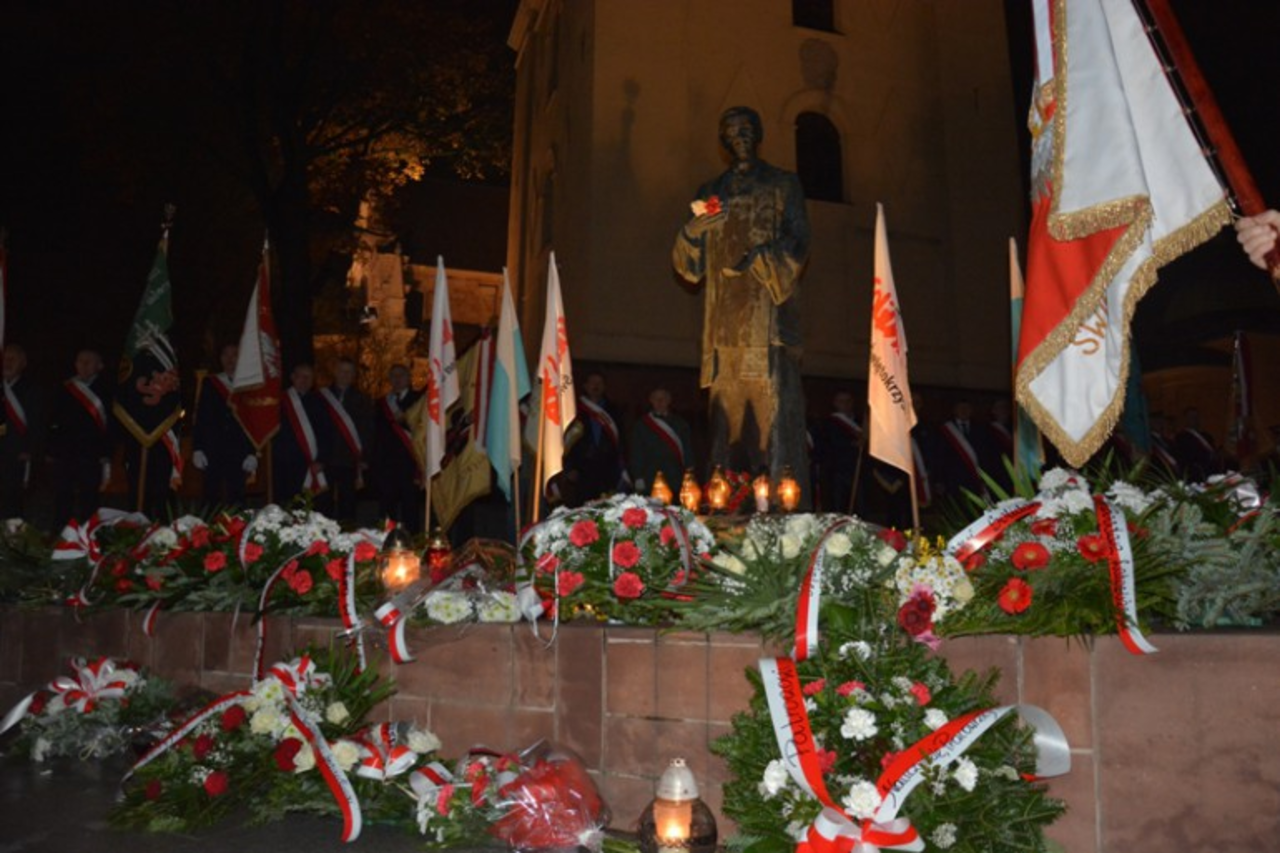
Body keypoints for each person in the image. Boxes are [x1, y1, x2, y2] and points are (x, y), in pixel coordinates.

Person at [672, 105, 811, 503]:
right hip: (724, 326)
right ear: (723, 141)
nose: (740, 137)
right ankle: (727, 501)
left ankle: (779, 502)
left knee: (773, 417)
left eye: (746, 129)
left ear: (759, 133)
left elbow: (798, 240)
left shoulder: (783, 184)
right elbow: (690, 268)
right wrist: (690, 233)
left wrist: (760, 259)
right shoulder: (710, 192)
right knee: (726, 424)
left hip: (767, 320)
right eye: (731, 132)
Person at [47, 347, 114, 531]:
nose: (83, 365)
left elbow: (111, 425)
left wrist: (107, 453)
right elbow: (53, 420)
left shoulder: (107, 390)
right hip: (65, 452)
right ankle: (60, 534)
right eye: (80, 361)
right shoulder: (65, 388)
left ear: (99, 366)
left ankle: (89, 536)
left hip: (92, 453)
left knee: (89, 498)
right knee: (62, 496)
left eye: (88, 361)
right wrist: (51, 449)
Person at [192, 343, 257, 506]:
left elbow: (253, 421)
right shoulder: (210, 383)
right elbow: (201, 416)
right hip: (212, 449)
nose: (230, 359)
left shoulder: (248, 386)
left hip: (239, 450)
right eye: (226, 355)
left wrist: (253, 452)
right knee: (210, 499)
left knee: (237, 499)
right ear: (220, 358)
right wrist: (197, 448)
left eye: (234, 355)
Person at [317, 357, 373, 524]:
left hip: (350, 459)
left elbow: (368, 430)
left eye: (349, 372)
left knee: (348, 504)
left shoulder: (363, 399)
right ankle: (322, 537)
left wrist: (364, 457)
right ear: (335, 372)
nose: (345, 375)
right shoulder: (321, 396)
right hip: (325, 458)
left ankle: (346, 536)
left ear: (354, 375)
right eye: (342, 371)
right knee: (323, 503)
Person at [563, 371, 628, 506]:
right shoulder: (574, 409)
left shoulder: (613, 410)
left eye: (599, 383)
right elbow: (566, 441)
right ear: (585, 386)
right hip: (582, 468)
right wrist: (569, 467)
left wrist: (622, 467)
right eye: (592, 383)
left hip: (608, 469)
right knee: (582, 508)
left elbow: (621, 441)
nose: (596, 386)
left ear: (604, 387)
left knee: (606, 507)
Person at [372, 364, 423, 532]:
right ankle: (386, 542)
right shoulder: (382, 403)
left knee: (411, 508)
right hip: (387, 464)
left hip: (411, 462)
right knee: (387, 510)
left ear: (409, 378)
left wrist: (406, 420)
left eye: (401, 375)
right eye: (393, 375)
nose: (397, 379)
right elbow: (376, 434)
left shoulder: (420, 400)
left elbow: (423, 429)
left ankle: (414, 544)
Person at [273, 363, 332, 505]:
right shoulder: (280, 401)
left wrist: (322, 459)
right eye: (301, 376)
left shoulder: (320, 401)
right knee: (286, 505)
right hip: (285, 464)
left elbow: (327, 434)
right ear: (293, 377)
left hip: (311, 464)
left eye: (309, 377)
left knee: (312, 506)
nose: (305, 380)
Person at [1, 344, 43, 519]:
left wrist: (29, 449)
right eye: (5, 358)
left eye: (13, 359)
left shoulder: (31, 389)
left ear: (23, 363)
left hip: (15, 452)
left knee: (11, 497)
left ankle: (10, 533)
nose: (8, 362)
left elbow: (37, 422)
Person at [629, 387, 694, 497]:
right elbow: (637, 452)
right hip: (650, 477)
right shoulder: (641, 425)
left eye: (663, 398)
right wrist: (638, 477)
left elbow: (687, 449)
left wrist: (690, 472)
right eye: (656, 398)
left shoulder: (680, 424)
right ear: (651, 400)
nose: (659, 402)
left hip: (675, 476)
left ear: (669, 400)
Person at [816, 391, 863, 514]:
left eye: (848, 401)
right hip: (836, 473)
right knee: (838, 507)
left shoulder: (860, 422)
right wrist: (853, 445)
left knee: (858, 508)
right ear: (835, 404)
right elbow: (829, 446)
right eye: (841, 401)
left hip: (857, 472)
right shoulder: (828, 423)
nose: (845, 404)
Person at [937, 399, 985, 499]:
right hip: (952, 480)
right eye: (960, 408)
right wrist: (939, 480)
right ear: (954, 410)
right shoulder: (945, 430)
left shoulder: (981, 429)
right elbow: (939, 457)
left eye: (967, 408)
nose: (963, 410)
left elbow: (985, 455)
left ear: (971, 411)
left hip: (975, 479)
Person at [1175, 407, 1217, 482]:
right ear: (1186, 419)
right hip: (1195, 473)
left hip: (1210, 471)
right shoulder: (1181, 437)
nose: (1194, 419)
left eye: (1196, 417)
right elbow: (1185, 458)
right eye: (1191, 417)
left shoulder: (1206, 436)